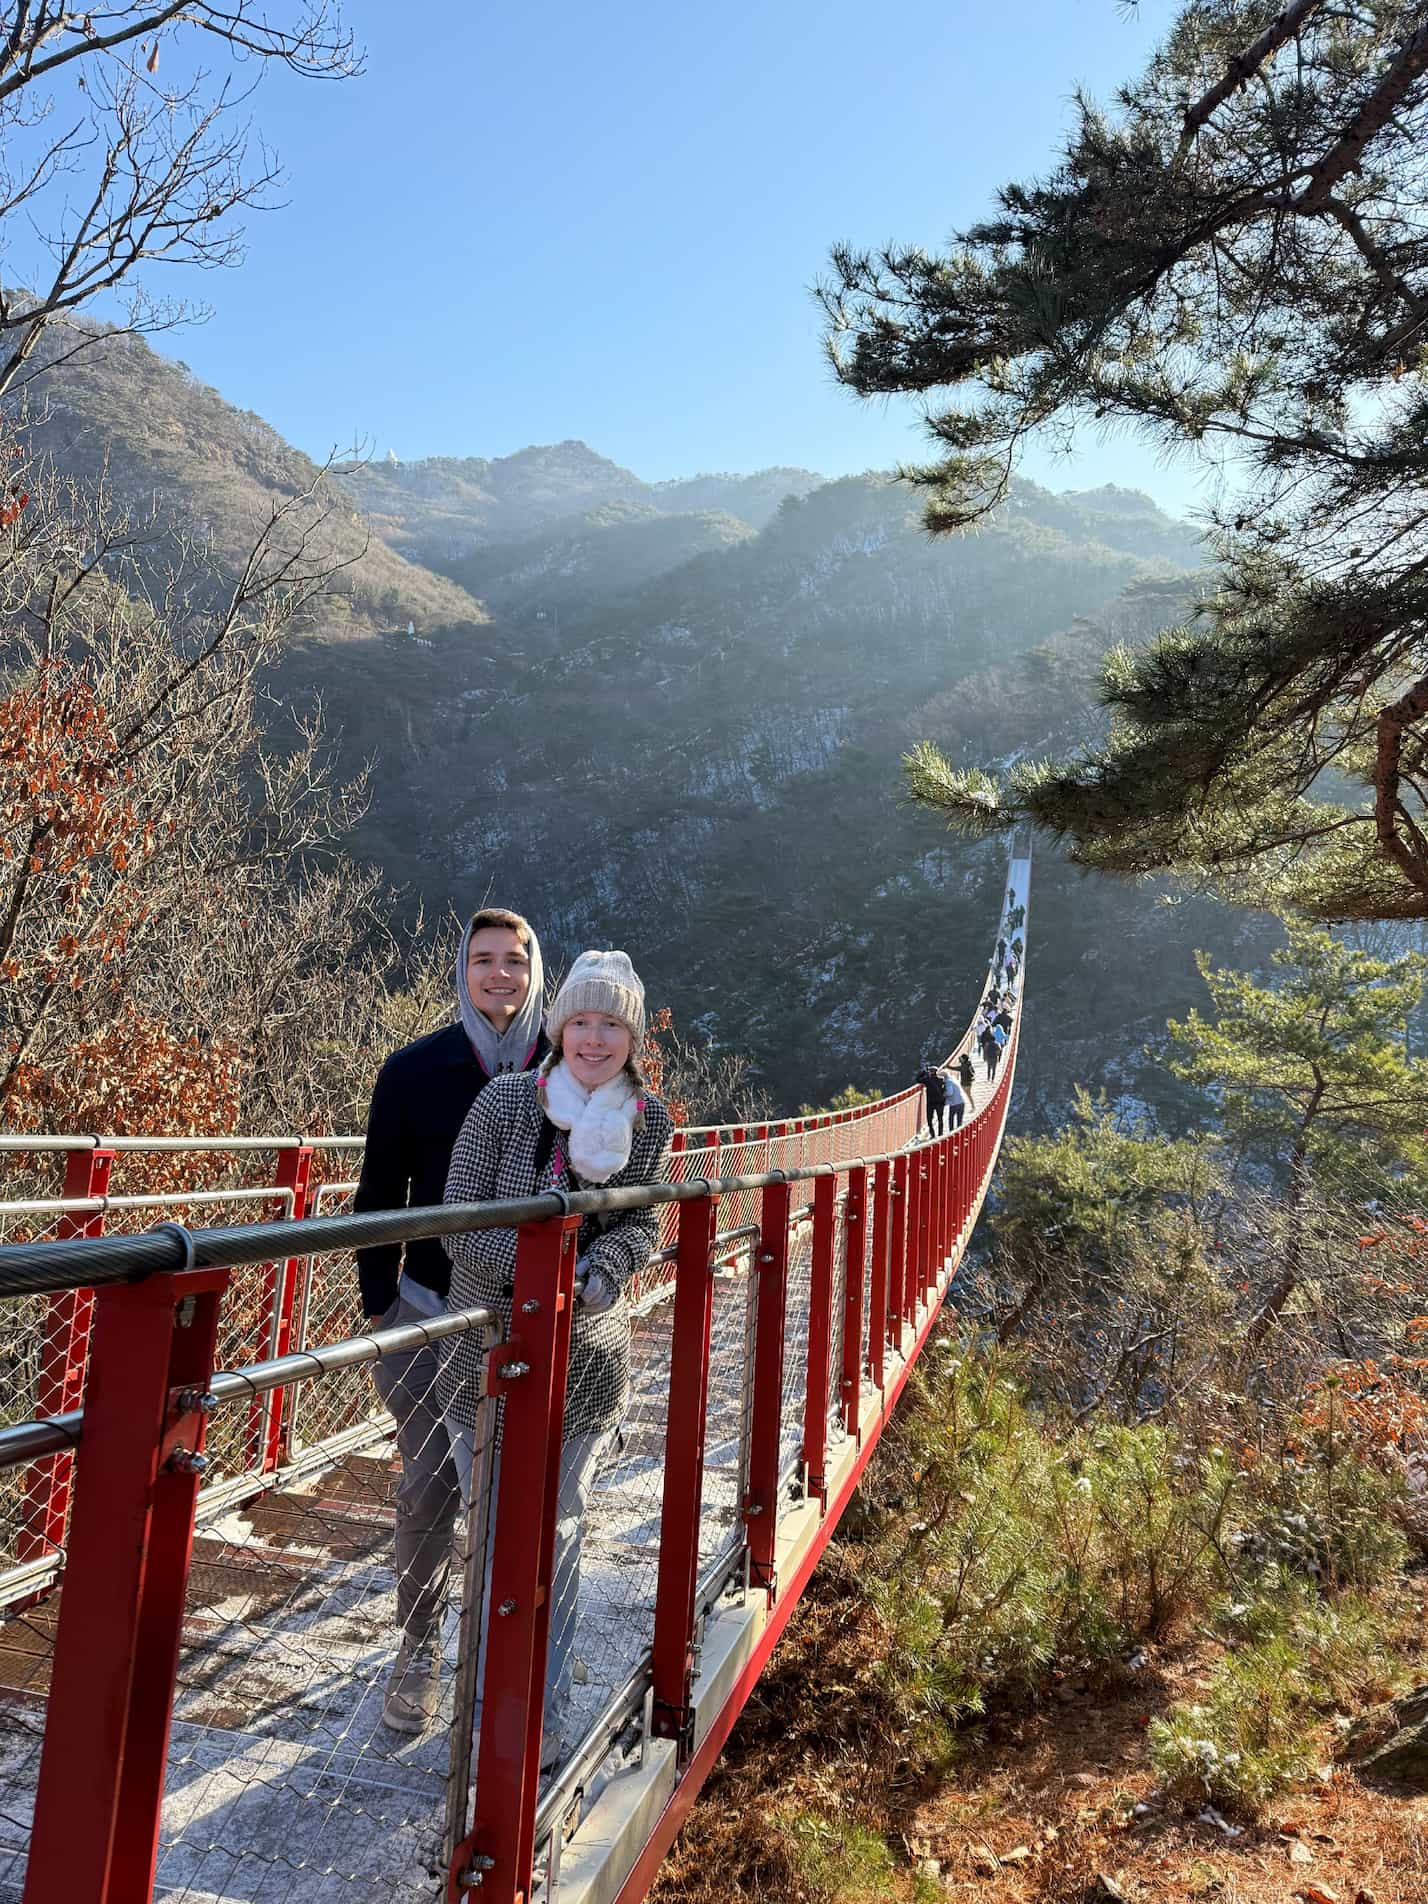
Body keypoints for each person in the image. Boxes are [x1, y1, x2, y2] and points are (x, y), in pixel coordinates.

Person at [439, 950, 673, 1771]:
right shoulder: (505, 1102)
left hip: (585, 1363)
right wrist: (538, 1274)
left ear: (632, 1035)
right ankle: (477, 1701)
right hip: (485, 1353)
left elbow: (645, 1223)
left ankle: (545, 1707)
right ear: (558, 1026)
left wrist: (602, 1275)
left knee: (560, 1526)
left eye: (612, 1023)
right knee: (492, 1527)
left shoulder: (649, 1118)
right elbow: (457, 1218)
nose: (595, 1037)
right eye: (582, 1020)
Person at [354, 906, 548, 1734]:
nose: (499, 974)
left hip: (533, 1316)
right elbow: (376, 1200)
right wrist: (382, 1309)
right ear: (462, 971)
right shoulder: (414, 1070)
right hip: (429, 1313)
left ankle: (510, 1655)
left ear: (537, 970)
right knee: (430, 1486)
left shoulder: (570, 1064)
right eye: (483, 961)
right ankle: (418, 1649)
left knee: (519, 1490)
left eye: (515, 959)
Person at [916, 1060, 947, 1137]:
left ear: (931, 1072)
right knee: (940, 1118)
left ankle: (932, 1134)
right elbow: (944, 1090)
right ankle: (940, 1134)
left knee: (929, 1119)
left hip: (931, 1103)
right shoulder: (942, 1079)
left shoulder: (927, 1080)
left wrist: (923, 1072)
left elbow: (918, 1079)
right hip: (940, 1102)